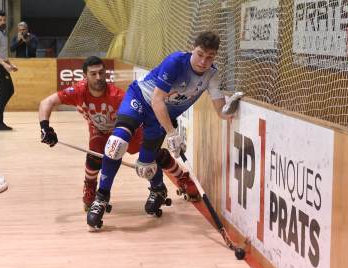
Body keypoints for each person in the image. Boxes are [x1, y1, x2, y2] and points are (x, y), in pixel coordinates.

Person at [86, 31, 243, 230]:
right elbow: (157, 100)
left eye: (209, 57)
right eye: (200, 54)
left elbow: (221, 111)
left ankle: (158, 189)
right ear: (192, 49)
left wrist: (231, 107)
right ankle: (101, 198)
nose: (203, 61)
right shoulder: (176, 61)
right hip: (141, 99)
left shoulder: (212, 76)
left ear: (215, 57)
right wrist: (172, 133)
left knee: (144, 168)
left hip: (160, 116)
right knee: (117, 143)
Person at [39, 56, 197, 212]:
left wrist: (164, 122)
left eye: (101, 72)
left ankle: (182, 178)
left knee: (153, 154)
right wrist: (45, 127)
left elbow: (146, 110)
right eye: (93, 74)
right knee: (94, 156)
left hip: (126, 130)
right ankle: (89, 185)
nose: (99, 77)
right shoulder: (78, 91)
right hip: (100, 130)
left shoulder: (117, 96)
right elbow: (46, 102)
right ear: (84, 76)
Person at [0, 10, 19, 131]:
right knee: (4, 93)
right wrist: (4, 65)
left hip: (2, 64)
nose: (3, 22)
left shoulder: (3, 33)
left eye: (4, 20)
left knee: (9, 90)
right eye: (0, 20)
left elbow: (2, 53)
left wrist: (10, 64)